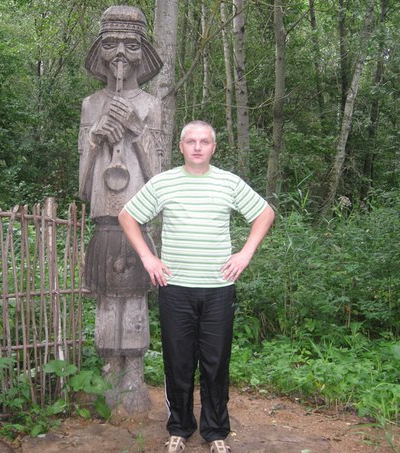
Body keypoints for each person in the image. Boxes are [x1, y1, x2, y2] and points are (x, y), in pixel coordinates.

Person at [118, 120, 275, 452]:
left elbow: (264, 213)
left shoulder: (228, 182)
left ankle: (216, 433)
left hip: (218, 289)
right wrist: (148, 258)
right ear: (181, 147)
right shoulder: (164, 183)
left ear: (214, 147)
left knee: (216, 363)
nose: (198, 147)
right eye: (191, 141)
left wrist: (245, 253)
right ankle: (179, 429)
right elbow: (127, 216)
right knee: (179, 362)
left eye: (204, 141)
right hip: (175, 288)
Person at [78, 5, 164, 413]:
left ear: (143, 52)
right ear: (99, 50)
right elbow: (82, 185)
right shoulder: (90, 104)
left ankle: (135, 373)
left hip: (138, 221)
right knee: (107, 300)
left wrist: (135, 125)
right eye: (111, 43)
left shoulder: (150, 104)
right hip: (104, 219)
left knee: (135, 300)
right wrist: (95, 138)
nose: (120, 55)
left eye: (130, 45)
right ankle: (110, 368)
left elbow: (158, 175)